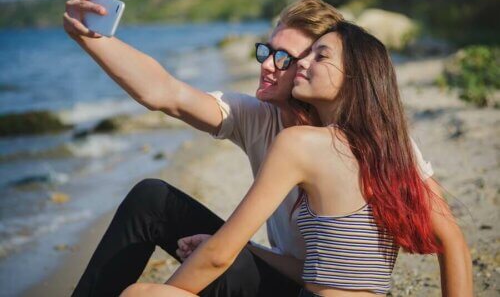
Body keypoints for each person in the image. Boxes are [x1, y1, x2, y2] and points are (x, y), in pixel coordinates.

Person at [64, 0, 434, 297]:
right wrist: (92, 37)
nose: (268, 64)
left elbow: (443, 234)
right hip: (287, 278)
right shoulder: (259, 116)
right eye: (266, 51)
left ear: (316, 67)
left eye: (284, 58)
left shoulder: (374, 141)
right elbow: (166, 93)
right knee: (152, 198)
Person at [120, 21, 473, 297]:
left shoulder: (301, 143)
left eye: (320, 56)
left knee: (140, 293)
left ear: (354, 78)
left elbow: (218, 256)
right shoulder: (388, 150)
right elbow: (452, 239)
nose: (302, 62)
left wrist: (168, 292)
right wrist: (251, 252)